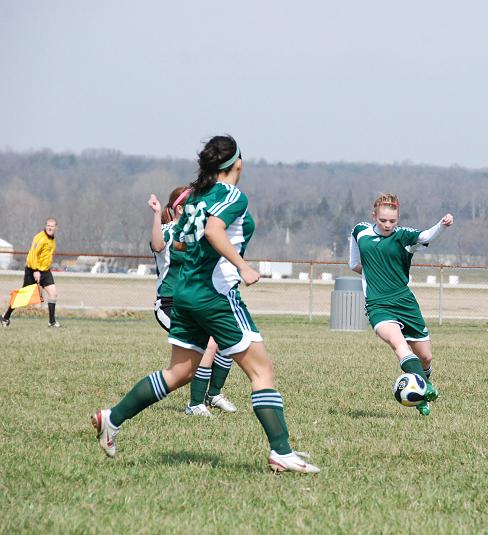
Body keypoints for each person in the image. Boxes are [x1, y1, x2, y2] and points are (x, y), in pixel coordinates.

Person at [92, 135, 319, 473]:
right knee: (262, 371)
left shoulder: (197, 195)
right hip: (215, 295)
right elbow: (213, 231)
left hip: (185, 293)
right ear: (238, 163)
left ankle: (112, 417)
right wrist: (241, 266)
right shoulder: (232, 196)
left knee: (180, 372)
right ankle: (281, 452)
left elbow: (181, 242)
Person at [349, 193, 453, 416]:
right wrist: (369, 272)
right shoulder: (360, 232)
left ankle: (423, 382)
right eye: (383, 220)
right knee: (399, 345)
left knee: (425, 357)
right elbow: (354, 263)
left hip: (405, 303)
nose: (387, 224)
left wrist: (442, 225)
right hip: (378, 304)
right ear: (374, 216)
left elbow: (426, 235)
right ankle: (425, 392)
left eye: (392, 221)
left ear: (398, 219)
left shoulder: (405, 237)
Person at [148, 186, 237, 417]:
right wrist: (157, 215)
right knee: (207, 345)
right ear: (180, 208)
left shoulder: (197, 233)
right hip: (169, 304)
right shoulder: (168, 231)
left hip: (195, 301)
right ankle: (195, 404)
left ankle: (213, 394)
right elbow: (157, 245)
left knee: (228, 339)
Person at [2, 218, 60, 328]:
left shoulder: (52, 240)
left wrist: (44, 268)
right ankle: (5, 316)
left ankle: (52, 322)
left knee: (53, 293)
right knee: (24, 297)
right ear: (45, 226)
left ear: (56, 228)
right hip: (33, 270)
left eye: (52, 226)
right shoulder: (40, 238)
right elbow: (33, 255)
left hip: (45, 271)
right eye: (48, 225)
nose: (50, 228)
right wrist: (36, 270)